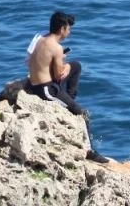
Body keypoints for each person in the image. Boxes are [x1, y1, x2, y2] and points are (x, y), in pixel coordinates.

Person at [24, 11, 109, 164]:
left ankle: (69, 100)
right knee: (83, 114)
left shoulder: (40, 39)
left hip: (36, 83)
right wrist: (65, 66)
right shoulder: (56, 48)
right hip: (45, 90)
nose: (69, 32)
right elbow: (58, 75)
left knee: (76, 65)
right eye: (68, 29)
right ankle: (89, 150)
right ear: (62, 29)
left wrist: (67, 65)